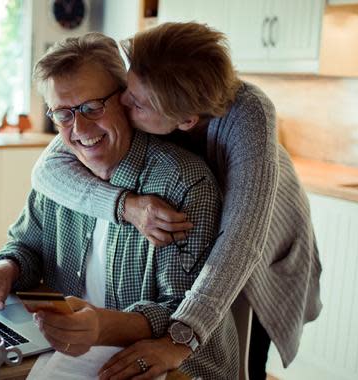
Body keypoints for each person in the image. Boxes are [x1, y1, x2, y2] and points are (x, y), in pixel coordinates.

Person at [31, 22, 323, 380]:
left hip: (266, 250)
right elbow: (46, 169)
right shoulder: (150, 102)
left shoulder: (248, 117)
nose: (121, 102)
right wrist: (127, 205)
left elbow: (241, 243)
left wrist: (178, 342)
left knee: (248, 353)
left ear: (184, 121)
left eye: (135, 103)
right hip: (226, 238)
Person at [0, 32, 239, 379]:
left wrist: (102, 327)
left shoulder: (183, 184)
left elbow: (183, 312)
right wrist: (5, 268)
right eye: (63, 114)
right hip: (75, 353)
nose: (79, 128)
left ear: (127, 100)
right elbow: (26, 244)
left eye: (91, 108)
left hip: (174, 366)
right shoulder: (60, 174)